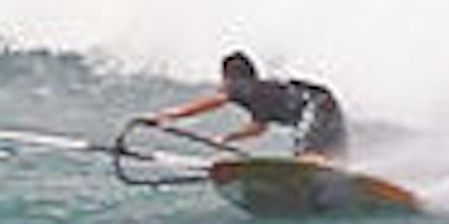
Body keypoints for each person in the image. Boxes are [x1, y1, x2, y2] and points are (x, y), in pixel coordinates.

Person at [147, 51, 348, 161]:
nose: (223, 83)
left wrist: (170, 115)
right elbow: (258, 128)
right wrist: (229, 137)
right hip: (327, 105)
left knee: (307, 159)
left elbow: (215, 101)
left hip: (314, 105)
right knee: (330, 160)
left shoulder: (243, 86)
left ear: (231, 76)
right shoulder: (260, 94)